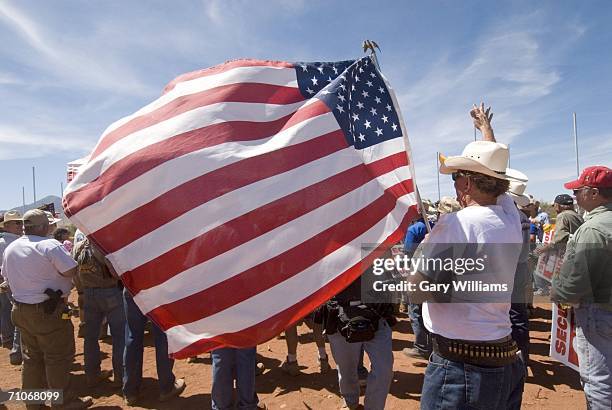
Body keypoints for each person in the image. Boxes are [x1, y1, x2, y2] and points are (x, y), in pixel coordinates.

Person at [409, 103, 524, 409]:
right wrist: (486, 130)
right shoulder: (509, 215)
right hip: (504, 359)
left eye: (456, 178)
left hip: (460, 370)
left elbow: (418, 291)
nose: (456, 185)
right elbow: (497, 175)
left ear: (467, 182)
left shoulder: (456, 223)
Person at [2, 209, 92, 409]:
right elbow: (70, 269)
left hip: (21, 310)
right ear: (43, 227)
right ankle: (64, 401)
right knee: (57, 357)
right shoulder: (49, 245)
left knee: (32, 358)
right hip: (48, 310)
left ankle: (34, 402)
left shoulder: (12, 247)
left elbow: (6, 277)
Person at [552, 165, 612, 409]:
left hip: (598, 312)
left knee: (598, 380)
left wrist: (558, 292)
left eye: (579, 190)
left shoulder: (592, 228)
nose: (575, 196)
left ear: (594, 193)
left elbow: (576, 280)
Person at [323, 271, 396, 409]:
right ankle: (351, 404)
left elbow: (386, 262)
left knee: (384, 369)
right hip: (341, 315)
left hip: (376, 313)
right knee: (346, 370)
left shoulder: (374, 249)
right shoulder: (327, 251)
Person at [73, 237, 125, 387]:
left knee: (90, 337)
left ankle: (92, 375)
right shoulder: (103, 244)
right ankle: (120, 377)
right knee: (119, 335)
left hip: (88, 293)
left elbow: (74, 273)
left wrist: (81, 291)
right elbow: (114, 272)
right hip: (109, 292)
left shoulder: (78, 247)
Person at [122, 287, 186, 405]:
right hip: (158, 288)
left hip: (132, 285)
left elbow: (113, 269)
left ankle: (130, 391)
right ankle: (166, 387)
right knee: (163, 337)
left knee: (132, 338)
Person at [506, 172, 533, 373]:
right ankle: (523, 356)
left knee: (514, 314)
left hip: (511, 268)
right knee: (518, 314)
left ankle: (518, 361)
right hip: (521, 267)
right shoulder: (523, 217)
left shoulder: (511, 217)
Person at [0, 210, 23, 365]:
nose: (20, 225)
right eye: (17, 222)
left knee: (5, 310)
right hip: (13, 281)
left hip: (4, 280)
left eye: (20, 222)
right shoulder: (14, 242)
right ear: (7, 225)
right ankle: (16, 350)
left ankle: (7, 338)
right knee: (19, 314)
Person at [280, 308, 330, 376]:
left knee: (290, 324)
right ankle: (323, 359)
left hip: (293, 301)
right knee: (317, 322)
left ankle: (292, 362)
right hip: (309, 299)